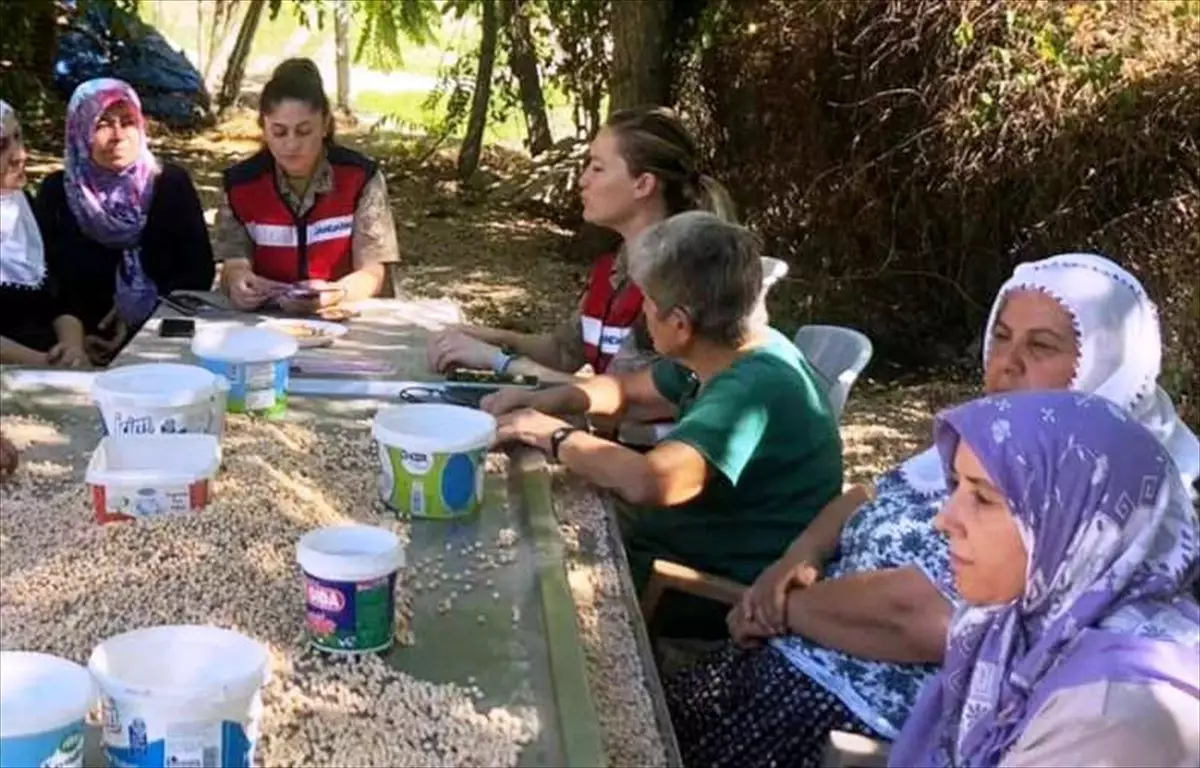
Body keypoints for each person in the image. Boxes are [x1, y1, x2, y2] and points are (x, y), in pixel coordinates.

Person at [661, 252, 1200, 768]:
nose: (1007, 364)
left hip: (837, 714)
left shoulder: (1104, 495)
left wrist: (779, 609)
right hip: (781, 648)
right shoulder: (994, 438)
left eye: (1041, 347)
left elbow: (934, 617)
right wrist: (793, 561)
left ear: (1107, 366)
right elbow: (868, 494)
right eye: (1002, 337)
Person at [485, 212, 843, 636]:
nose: (642, 316)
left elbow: (651, 481)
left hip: (711, 587)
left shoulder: (754, 387)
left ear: (679, 323)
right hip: (683, 536)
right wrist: (542, 400)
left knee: (518, 579)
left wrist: (550, 433)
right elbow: (628, 394)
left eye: (647, 305)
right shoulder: (728, 344)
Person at [889, 390, 1199, 768]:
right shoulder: (1013, 629)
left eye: (984, 499)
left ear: (1079, 525)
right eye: (957, 486)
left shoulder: (1111, 706)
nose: (944, 519)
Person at [427, 106, 738, 384]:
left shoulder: (679, 283)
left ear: (643, 184)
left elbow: (622, 401)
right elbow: (565, 351)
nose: (582, 180)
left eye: (598, 168)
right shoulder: (617, 267)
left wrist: (498, 361)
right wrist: (485, 338)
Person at [35, 79, 214, 365]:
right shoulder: (58, 193)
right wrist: (76, 338)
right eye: (102, 124)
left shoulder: (169, 184)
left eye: (128, 122)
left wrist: (136, 318)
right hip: (74, 342)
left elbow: (197, 274)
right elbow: (47, 278)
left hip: (158, 337)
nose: (118, 135)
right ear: (79, 130)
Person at [214, 58, 399, 317]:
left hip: (344, 318)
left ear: (324, 125)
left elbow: (373, 272)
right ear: (263, 129)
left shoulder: (360, 178)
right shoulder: (239, 185)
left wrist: (336, 293)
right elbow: (233, 265)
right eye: (279, 132)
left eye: (303, 131)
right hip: (263, 323)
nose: (291, 145)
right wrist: (239, 283)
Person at [1, 100, 88, 367]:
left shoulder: (21, 205)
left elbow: (58, 297)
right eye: (2, 146)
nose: (20, 155)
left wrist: (72, 346)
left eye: (18, 138)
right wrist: (44, 363)